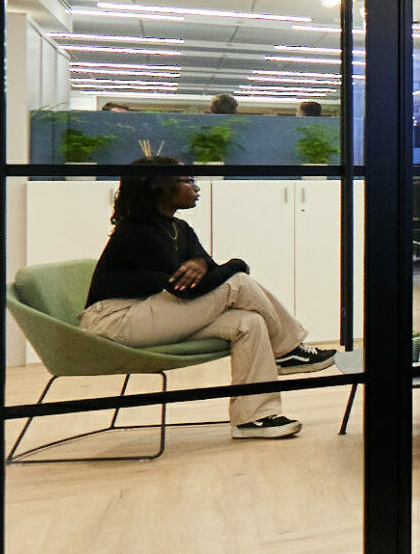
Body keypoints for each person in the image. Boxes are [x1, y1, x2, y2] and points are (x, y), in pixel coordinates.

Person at [81, 157, 334, 440]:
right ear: (159, 187)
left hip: (151, 312)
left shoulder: (179, 228)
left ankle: (254, 418)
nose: (196, 187)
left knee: (248, 322)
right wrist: (237, 262)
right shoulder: (138, 233)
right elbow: (191, 289)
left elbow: (210, 273)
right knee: (238, 283)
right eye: (187, 181)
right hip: (116, 321)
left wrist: (202, 264)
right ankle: (288, 350)